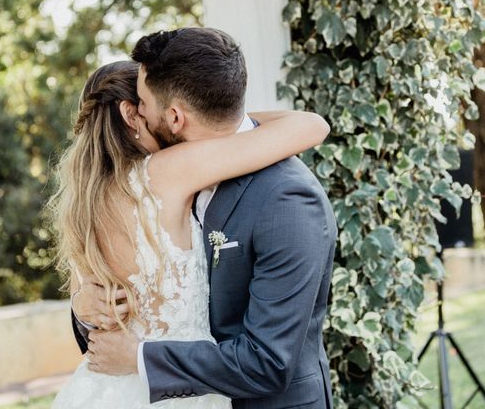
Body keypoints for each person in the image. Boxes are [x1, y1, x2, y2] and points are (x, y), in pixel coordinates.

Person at [51, 28, 332, 409]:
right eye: (144, 102)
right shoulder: (170, 171)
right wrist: (84, 309)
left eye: (150, 102)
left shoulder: (285, 197)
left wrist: (134, 353)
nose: (149, 111)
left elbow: (267, 361)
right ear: (130, 115)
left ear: (174, 116)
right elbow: (311, 125)